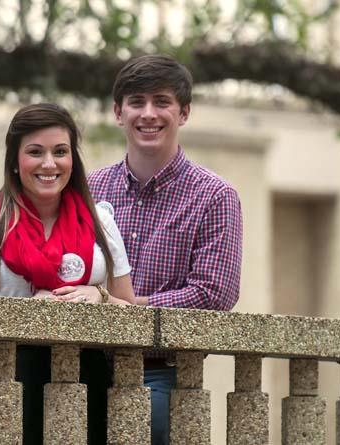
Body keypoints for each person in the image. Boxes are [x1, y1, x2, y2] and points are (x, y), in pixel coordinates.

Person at [0, 103, 136, 445]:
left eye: (60, 151)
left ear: (72, 159)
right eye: (35, 152)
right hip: (1, 390)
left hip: (86, 387)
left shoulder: (101, 223)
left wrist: (101, 297)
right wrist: (26, 318)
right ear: (14, 161)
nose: (49, 164)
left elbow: (132, 316)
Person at [87, 54, 243, 444]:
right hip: (82, 360)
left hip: (161, 369)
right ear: (118, 112)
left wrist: (119, 307)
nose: (148, 113)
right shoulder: (87, 192)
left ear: (184, 112)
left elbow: (212, 295)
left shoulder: (215, 196)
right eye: (137, 102)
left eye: (162, 101)